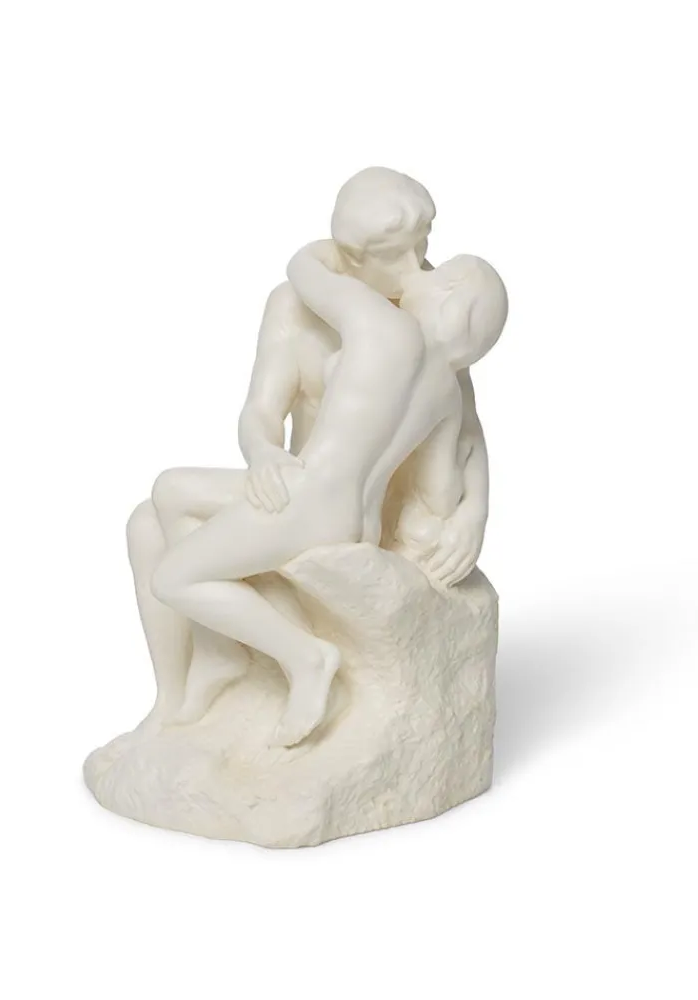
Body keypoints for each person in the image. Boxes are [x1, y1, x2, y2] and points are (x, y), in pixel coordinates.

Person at [126, 167, 499, 725]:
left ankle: (300, 657)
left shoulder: (386, 326)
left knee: (173, 571)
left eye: (425, 249)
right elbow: (442, 476)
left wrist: (475, 513)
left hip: (310, 506)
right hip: (336, 506)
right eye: (396, 252)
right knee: (154, 509)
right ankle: (205, 670)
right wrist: (264, 454)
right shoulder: (438, 368)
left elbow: (304, 267)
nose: (416, 265)